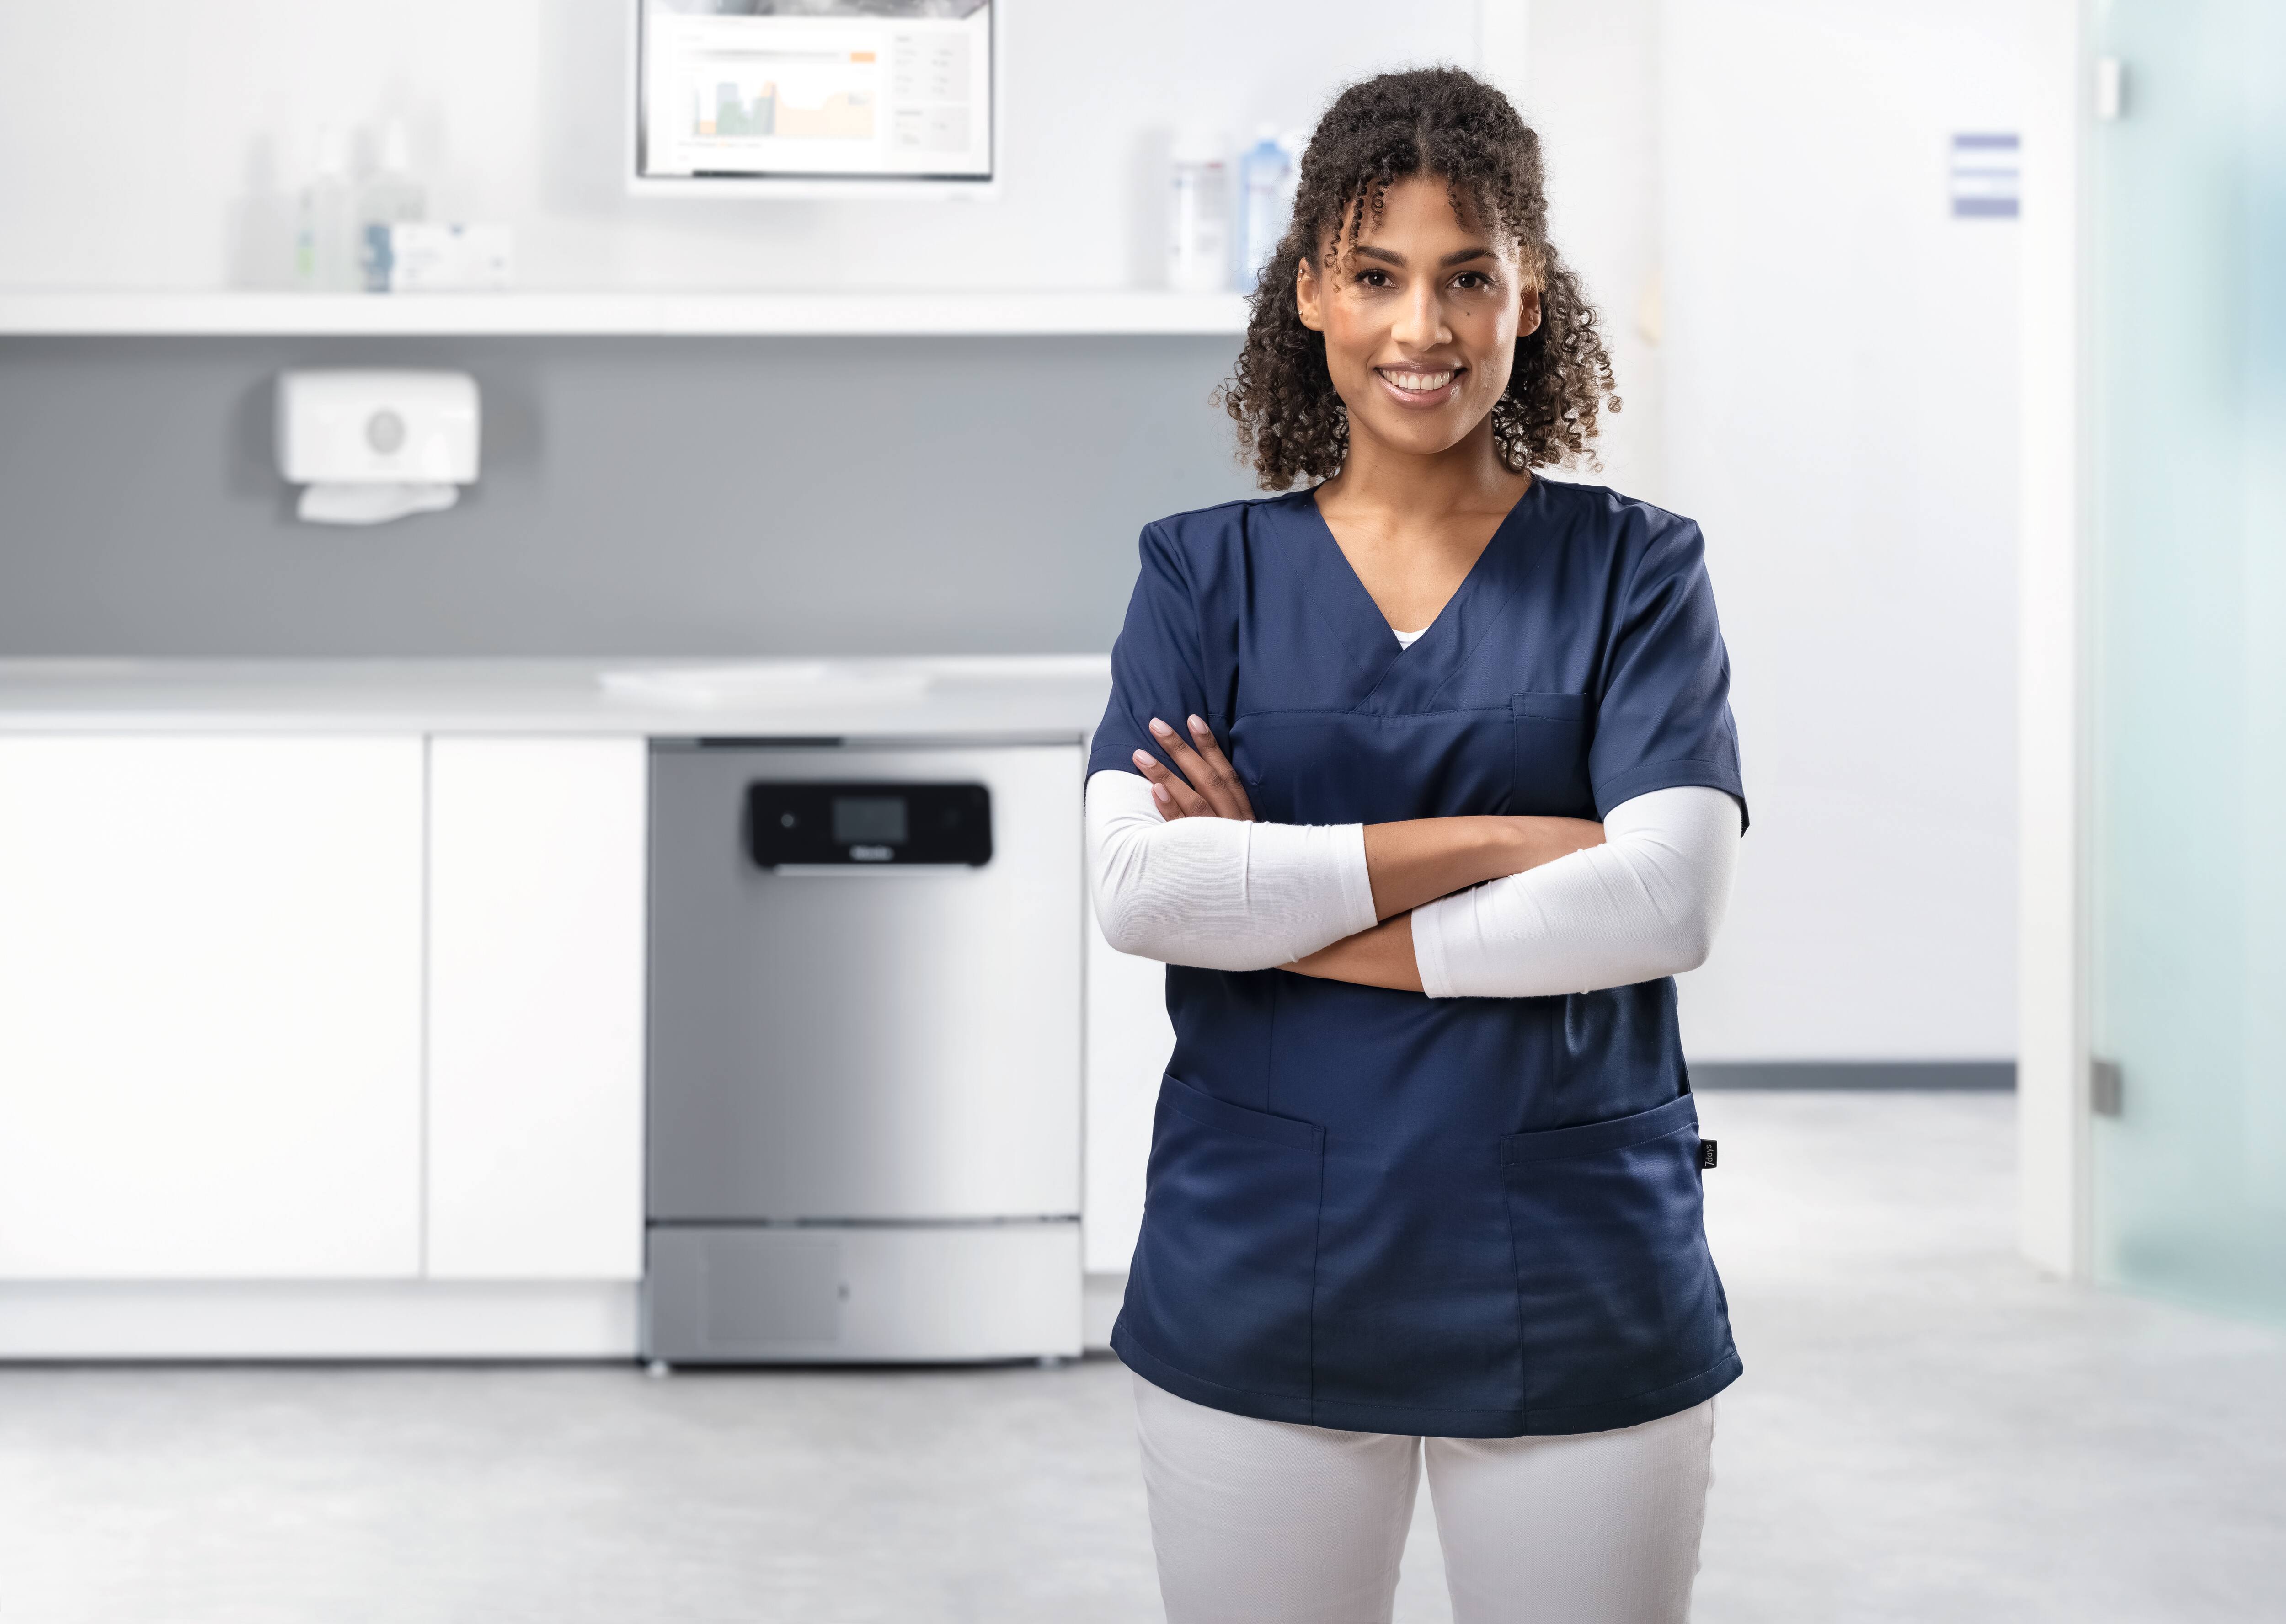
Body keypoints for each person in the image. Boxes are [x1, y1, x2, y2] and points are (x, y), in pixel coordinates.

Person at [1085, 67, 1748, 1624]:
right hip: (1264, 1265)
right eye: (1376, 276)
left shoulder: (1639, 572)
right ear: (1311, 290)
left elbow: (1663, 901)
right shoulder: (1200, 577)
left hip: (1574, 1266)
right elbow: (1141, 890)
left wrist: (1284, 904)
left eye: (1468, 278)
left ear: (1531, 296)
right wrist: (1510, 838)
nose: (1422, 328)